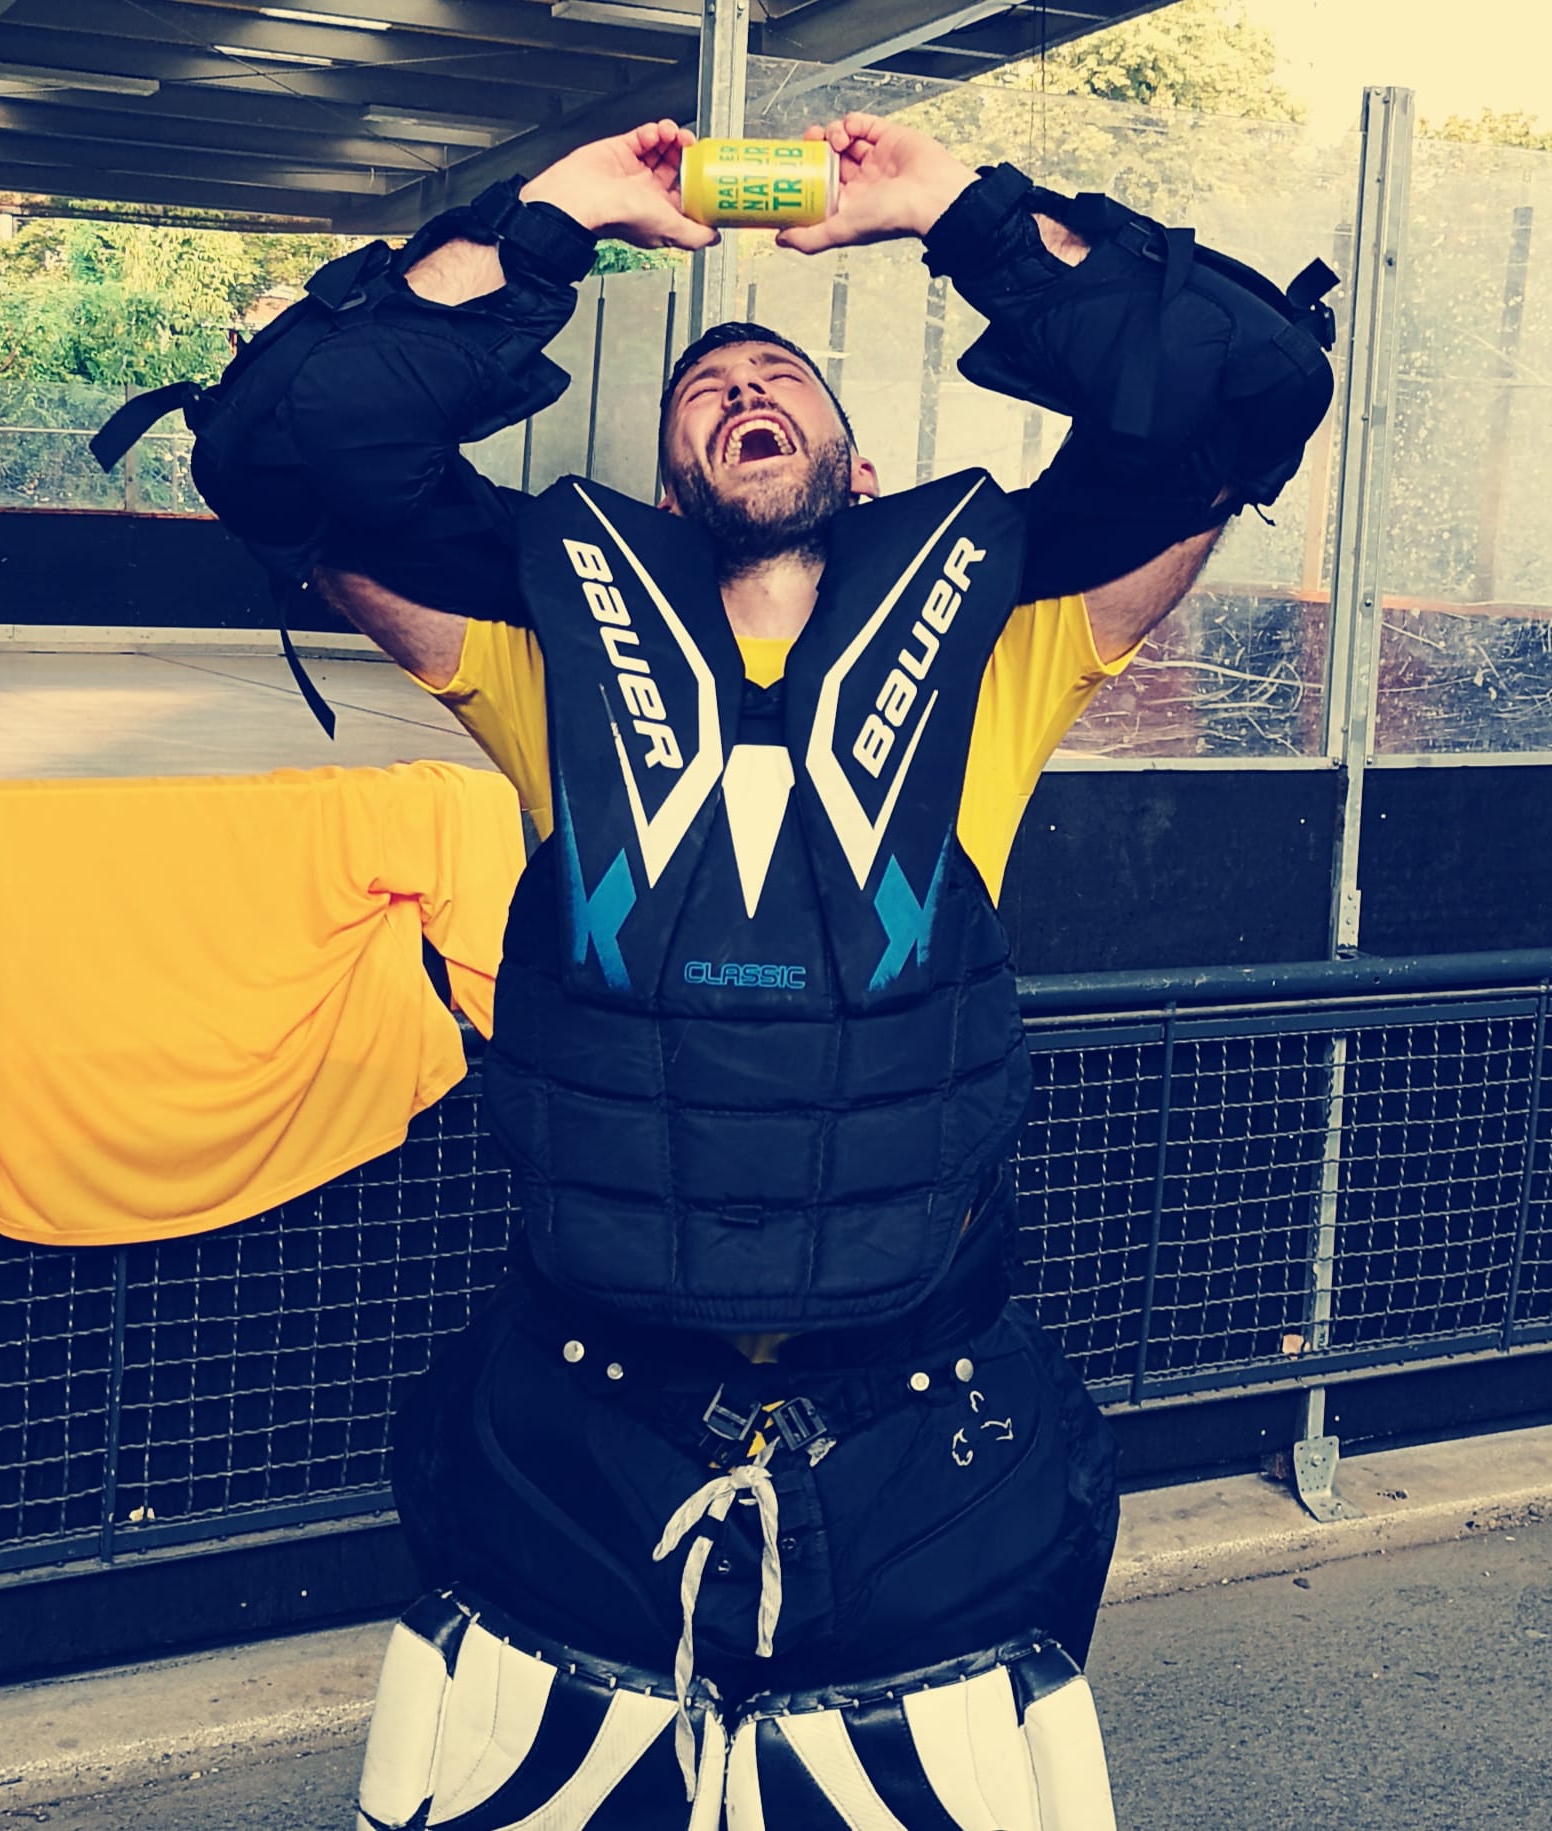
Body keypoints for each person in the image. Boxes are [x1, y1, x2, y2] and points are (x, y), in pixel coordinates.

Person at [157, 110, 1336, 1829]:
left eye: (778, 379)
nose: (740, 391)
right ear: (665, 492)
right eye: (704, 392)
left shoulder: (1008, 638)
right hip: (581, 1448)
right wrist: (554, 217)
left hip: (924, 1452)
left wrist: (960, 211)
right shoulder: (540, 648)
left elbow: (1244, 396)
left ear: (856, 472)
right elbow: (283, 452)